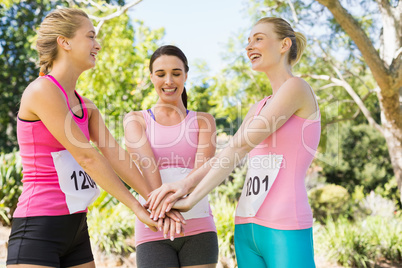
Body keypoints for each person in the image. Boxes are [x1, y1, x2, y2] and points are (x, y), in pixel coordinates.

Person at [6, 8, 183, 268]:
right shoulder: (42, 90)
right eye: (90, 36)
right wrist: (136, 207)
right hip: (38, 227)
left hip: (76, 226)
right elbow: (88, 157)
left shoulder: (86, 106)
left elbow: (117, 156)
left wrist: (156, 203)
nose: (97, 45)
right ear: (64, 42)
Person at [146, 17, 321, 268]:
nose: (249, 46)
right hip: (246, 225)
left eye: (258, 39)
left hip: (284, 223)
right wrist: (184, 187)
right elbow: (228, 154)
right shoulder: (259, 105)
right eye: (248, 41)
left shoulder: (297, 88)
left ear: (284, 45)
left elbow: (241, 146)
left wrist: (189, 199)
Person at [124, 45, 219, 268]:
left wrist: (164, 206)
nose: (169, 81)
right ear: (151, 77)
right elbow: (148, 168)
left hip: (198, 226)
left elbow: (200, 173)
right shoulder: (135, 120)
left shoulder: (204, 121)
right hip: (153, 227)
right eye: (160, 74)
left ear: (186, 75)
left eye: (176, 74)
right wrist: (164, 213)